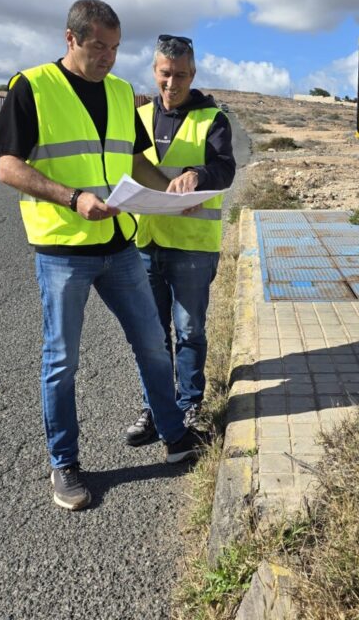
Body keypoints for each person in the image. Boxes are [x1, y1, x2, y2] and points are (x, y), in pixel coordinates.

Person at [0, 0, 203, 512]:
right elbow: (7, 166)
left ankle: (174, 437)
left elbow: (134, 159)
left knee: (153, 344)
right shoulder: (33, 86)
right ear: (71, 39)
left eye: (114, 47)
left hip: (119, 245)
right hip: (62, 249)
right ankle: (65, 464)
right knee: (62, 362)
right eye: (97, 46)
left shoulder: (122, 92)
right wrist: (72, 198)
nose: (107, 56)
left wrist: (172, 192)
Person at [124, 34, 235, 446]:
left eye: (182, 75)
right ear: (155, 72)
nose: (173, 84)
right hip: (144, 242)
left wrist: (199, 174)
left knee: (189, 331)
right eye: (166, 75)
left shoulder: (213, 119)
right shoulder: (135, 117)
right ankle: (155, 408)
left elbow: (225, 169)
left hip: (192, 245)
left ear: (194, 74)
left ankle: (189, 406)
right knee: (151, 335)